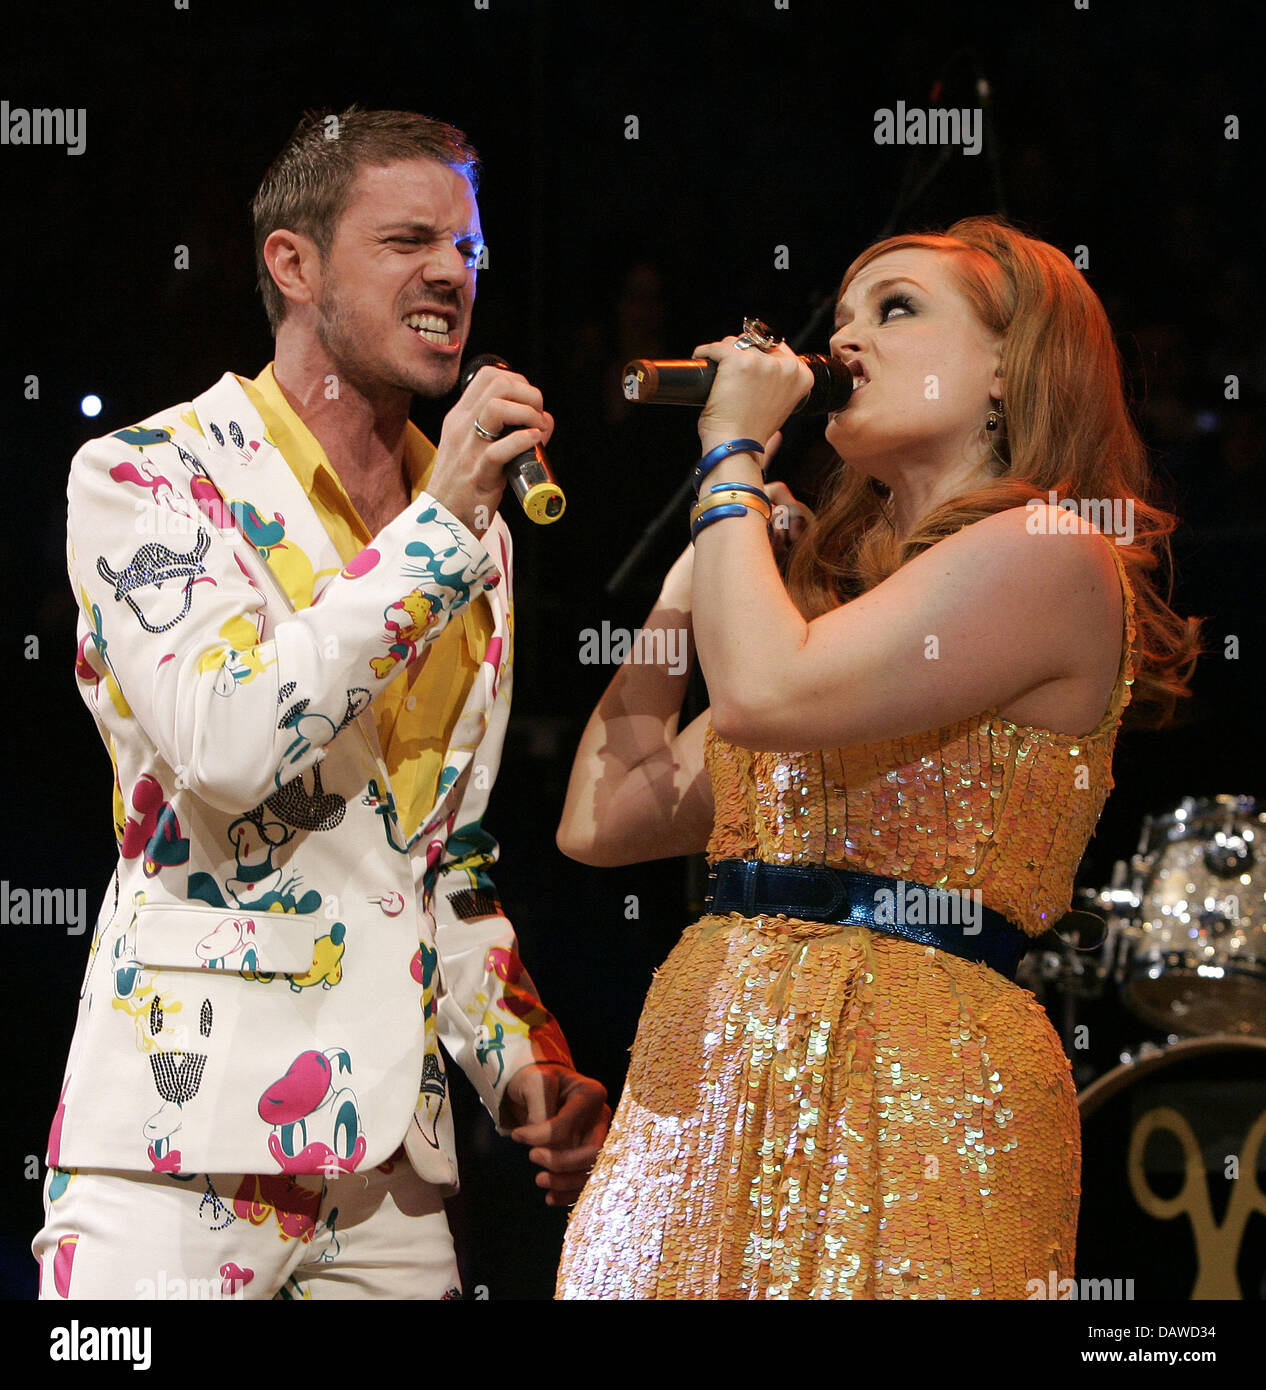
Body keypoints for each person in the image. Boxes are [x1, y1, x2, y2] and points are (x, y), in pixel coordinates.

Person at [553, 216, 1200, 1300]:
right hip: (707, 1089)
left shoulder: (1051, 550)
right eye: (842, 313)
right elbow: (605, 814)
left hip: (915, 1090)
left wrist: (730, 456)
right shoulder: (829, 615)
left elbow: (762, 687)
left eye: (896, 308)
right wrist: (683, 598)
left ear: (1012, 366)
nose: (845, 339)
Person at [34, 107, 608, 1301]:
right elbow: (227, 741)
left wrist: (520, 1063)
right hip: (179, 1151)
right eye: (409, 239)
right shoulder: (151, 476)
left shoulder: (478, 538)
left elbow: (434, 853)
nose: (453, 272)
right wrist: (440, 528)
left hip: (394, 1177)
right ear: (292, 265)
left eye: (467, 247)